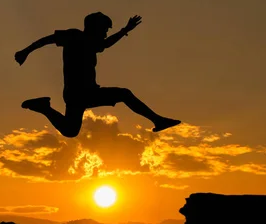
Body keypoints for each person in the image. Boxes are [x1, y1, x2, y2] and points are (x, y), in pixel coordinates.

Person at [14, 12, 181, 138]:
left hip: (78, 94)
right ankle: (158, 120)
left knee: (70, 131)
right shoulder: (74, 36)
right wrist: (26, 51)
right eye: (104, 30)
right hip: (81, 93)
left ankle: (44, 107)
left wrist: (125, 31)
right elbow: (47, 39)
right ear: (95, 27)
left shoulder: (91, 43)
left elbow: (106, 44)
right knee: (124, 94)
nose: (106, 34)